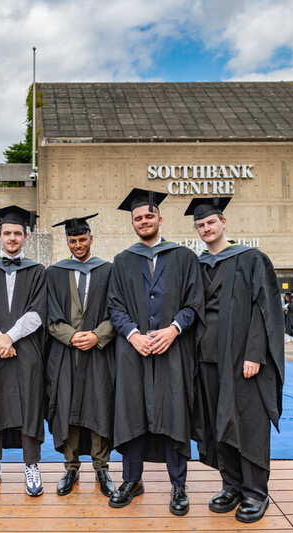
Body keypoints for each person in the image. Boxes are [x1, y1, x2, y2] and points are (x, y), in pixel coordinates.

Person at [187, 197, 285, 524]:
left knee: (249, 423)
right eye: (200, 225)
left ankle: (256, 492)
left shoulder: (251, 258)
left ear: (223, 222)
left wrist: (255, 353)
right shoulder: (198, 264)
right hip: (206, 360)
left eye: (210, 223)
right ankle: (230, 486)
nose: (206, 228)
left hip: (242, 358)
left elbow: (264, 308)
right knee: (218, 425)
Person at [106, 189, 204, 515]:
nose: (143, 221)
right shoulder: (122, 261)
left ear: (160, 219)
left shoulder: (184, 257)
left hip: (172, 350)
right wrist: (133, 335)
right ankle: (132, 480)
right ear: (132, 223)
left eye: (149, 216)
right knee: (132, 412)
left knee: (175, 412)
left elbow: (195, 304)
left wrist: (173, 328)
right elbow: (114, 306)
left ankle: (179, 485)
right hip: (133, 352)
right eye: (138, 218)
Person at [0, 205, 47, 497]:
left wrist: (10, 338)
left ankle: (31, 465)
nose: (12, 237)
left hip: (26, 350)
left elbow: (38, 312)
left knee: (29, 404)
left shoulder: (37, 271)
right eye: (7, 233)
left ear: (25, 236)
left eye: (17, 233)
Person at [46, 214, 116, 498]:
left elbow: (118, 311)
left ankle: (102, 467)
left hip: (99, 353)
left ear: (91, 239)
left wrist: (98, 335)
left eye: (82, 239)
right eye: (73, 240)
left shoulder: (108, 271)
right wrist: (71, 336)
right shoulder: (54, 272)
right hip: (66, 354)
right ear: (67, 241)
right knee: (68, 408)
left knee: (100, 406)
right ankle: (71, 467)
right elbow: (49, 314)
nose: (78, 245)